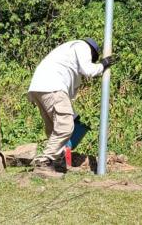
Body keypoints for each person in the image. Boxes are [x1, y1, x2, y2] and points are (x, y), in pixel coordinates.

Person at [27, 37, 117, 179]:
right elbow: (88, 70)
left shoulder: (68, 52)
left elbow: (67, 96)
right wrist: (102, 65)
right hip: (52, 86)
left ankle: (57, 163)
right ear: (93, 52)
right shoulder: (83, 47)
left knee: (53, 128)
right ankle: (43, 163)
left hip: (39, 87)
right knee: (65, 127)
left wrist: (73, 115)